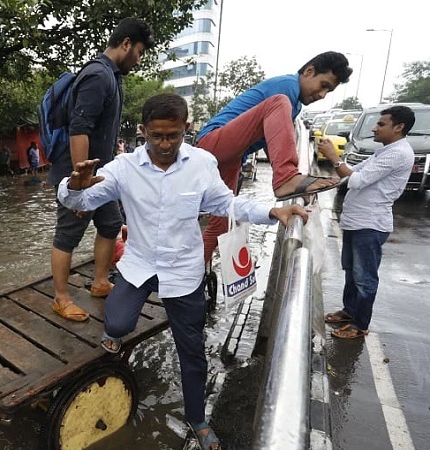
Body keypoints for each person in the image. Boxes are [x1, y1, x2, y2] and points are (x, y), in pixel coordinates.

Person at [58, 93, 308, 449]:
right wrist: (74, 187)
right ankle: (113, 334)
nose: (164, 144)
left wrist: (272, 213)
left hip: (184, 270)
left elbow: (226, 202)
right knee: (117, 323)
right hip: (139, 264)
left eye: (173, 135)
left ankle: (197, 419)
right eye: (156, 136)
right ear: (143, 131)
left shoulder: (202, 163)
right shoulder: (122, 167)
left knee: (191, 350)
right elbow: (80, 202)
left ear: (186, 130)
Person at [198, 51, 353, 265]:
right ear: (309, 71)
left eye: (329, 90)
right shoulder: (287, 87)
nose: (322, 95)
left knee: (220, 225)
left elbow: (276, 144)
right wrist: (289, 177)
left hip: (231, 158)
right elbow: (279, 145)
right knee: (278, 102)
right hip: (212, 144)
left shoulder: (295, 103)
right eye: (323, 85)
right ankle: (287, 178)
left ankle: (194, 276)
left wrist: (300, 185)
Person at [47, 17, 154, 321]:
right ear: (126, 44)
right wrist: (81, 185)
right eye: (140, 52)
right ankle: (61, 297)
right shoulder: (97, 75)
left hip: (103, 177)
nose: (140, 59)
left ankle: (99, 282)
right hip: (80, 178)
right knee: (67, 235)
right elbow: (79, 130)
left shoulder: (112, 77)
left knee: (110, 225)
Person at [320, 106, 415, 339]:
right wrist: (327, 180)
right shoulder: (384, 151)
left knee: (364, 277)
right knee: (351, 271)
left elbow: (358, 180)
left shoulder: (398, 153)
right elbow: (351, 172)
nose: (375, 127)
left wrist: (333, 157)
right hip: (356, 222)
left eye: (381, 124)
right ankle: (349, 310)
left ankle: (360, 324)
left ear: (399, 127)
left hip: (370, 225)